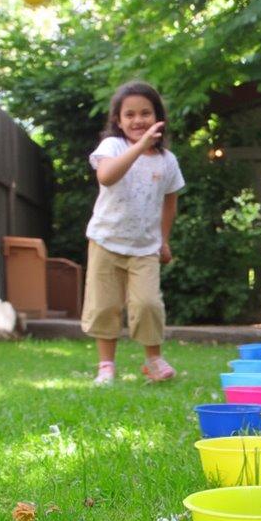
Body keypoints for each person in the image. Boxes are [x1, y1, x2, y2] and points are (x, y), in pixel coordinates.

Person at [81, 80, 185, 385]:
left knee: (148, 304)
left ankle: (153, 361)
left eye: (145, 113)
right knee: (104, 305)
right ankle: (106, 367)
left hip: (145, 247)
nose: (138, 120)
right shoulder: (112, 147)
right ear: (118, 120)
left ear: (158, 117)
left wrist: (164, 241)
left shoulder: (167, 161)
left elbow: (170, 204)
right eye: (130, 114)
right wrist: (140, 147)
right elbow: (106, 176)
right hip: (106, 240)